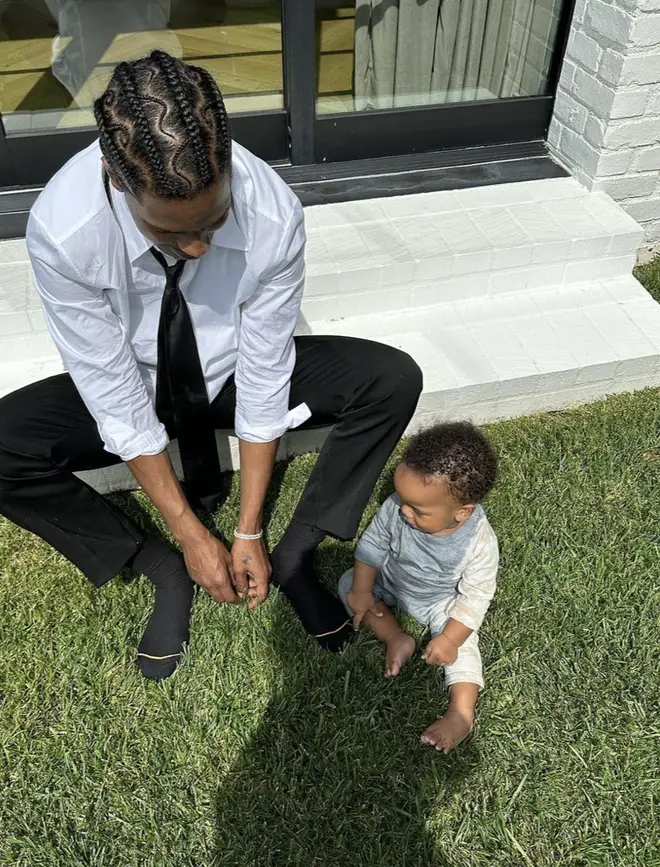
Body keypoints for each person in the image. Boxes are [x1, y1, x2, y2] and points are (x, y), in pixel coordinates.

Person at [0, 50, 422, 681]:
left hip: (225, 373)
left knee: (391, 378)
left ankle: (297, 552)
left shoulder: (273, 210)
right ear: (118, 182)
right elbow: (109, 389)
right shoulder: (64, 230)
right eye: (171, 235)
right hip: (141, 381)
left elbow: (264, 365)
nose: (199, 247)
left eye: (214, 223)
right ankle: (158, 566)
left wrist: (248, 531)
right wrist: (192, 537)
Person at [338, 422, 499, 753]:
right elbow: (372, 547)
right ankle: (395, 637)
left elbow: (475, 598)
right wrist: (364, 590)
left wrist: (450, 638)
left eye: (418, 509)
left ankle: (461, 713)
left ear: (461, 513)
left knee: (466, 643)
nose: (404, 511)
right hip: (393, 579)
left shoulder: (479, 542)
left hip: (439, 601)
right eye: (403, 500)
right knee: (349, 585)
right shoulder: (397, 506)